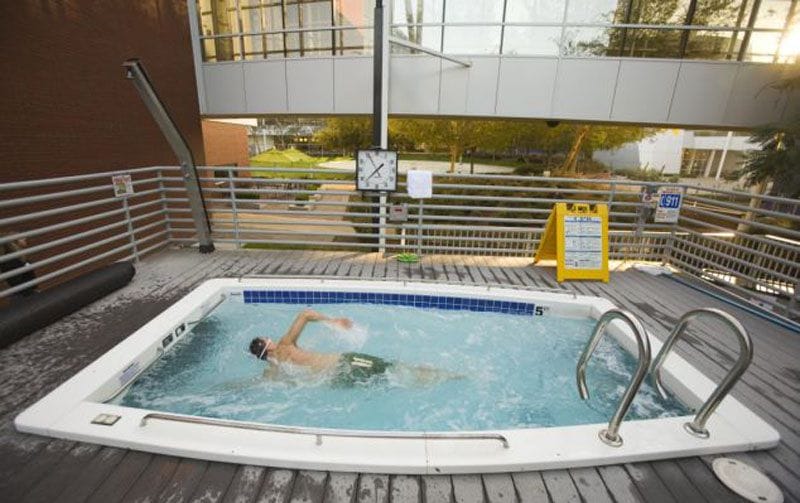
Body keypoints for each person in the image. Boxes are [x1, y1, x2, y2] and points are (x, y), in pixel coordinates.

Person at [248, 308, 461, 386]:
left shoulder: (273, 370)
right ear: (269, 343)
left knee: (385, 382)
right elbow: (305, 313)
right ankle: (443, 377)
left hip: (336, 381)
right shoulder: (285, 344)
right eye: (268, 337)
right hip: (345, 364)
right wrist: (333, 321)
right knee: (393, 368)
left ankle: (424, 381)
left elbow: (259, 384)